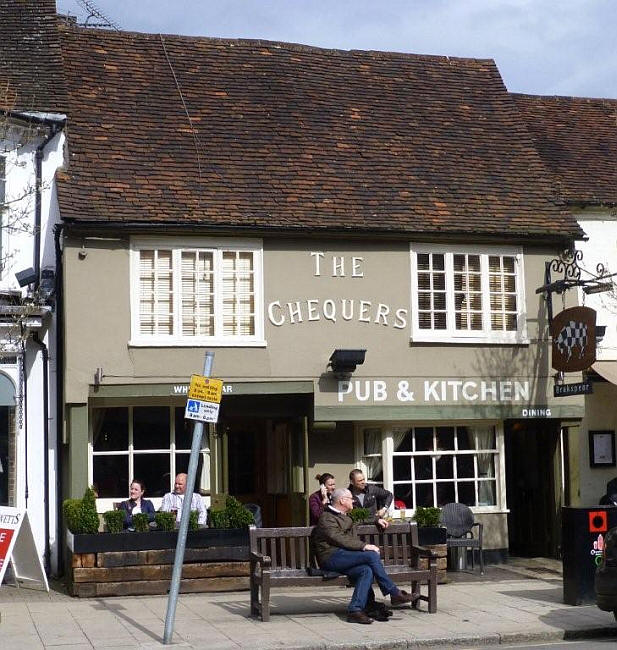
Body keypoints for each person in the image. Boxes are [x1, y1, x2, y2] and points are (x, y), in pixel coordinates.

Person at [312, 488, 418, 624]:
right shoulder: (327, 518)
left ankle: (355, 610)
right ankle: (394, 592)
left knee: (366, 571)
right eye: (351, 498)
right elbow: (339, 538)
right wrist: (364, 546)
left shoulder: (345, 515)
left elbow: (361, 519)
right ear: (342, 501)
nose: (354, 500)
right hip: (331, 558)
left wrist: (376, 520)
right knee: (371, 555)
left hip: (344, 558)